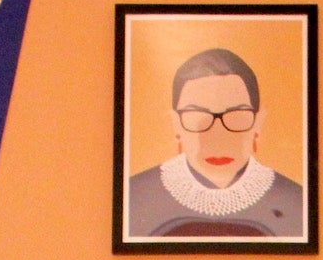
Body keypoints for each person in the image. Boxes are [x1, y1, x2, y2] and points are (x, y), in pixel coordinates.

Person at [127, 47, 306, 239]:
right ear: (176, 123)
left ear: (258, 122)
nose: (217, 137)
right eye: (197, 117)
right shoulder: (133, 198)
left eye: (236, 116)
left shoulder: (298, 203)